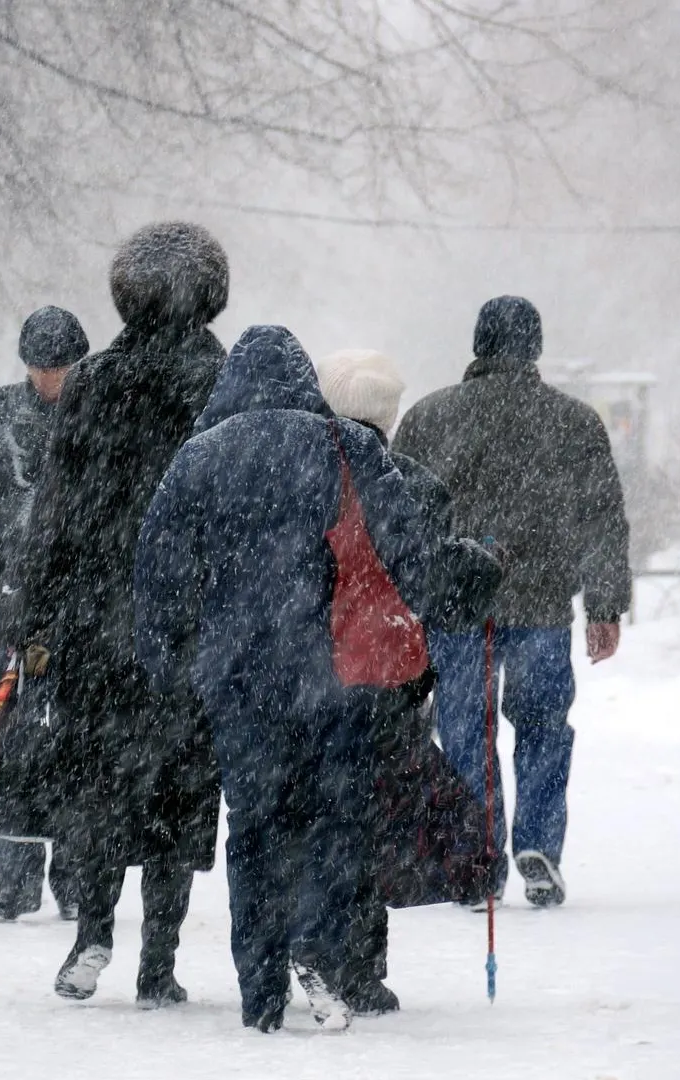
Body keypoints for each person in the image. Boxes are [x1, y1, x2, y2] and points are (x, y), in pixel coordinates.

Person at [134, 325, 434, 1032]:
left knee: (256, 826)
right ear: (303, 377)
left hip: (238, 676)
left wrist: (167, 662)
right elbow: (408, 550)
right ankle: (316, 943)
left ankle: (259, 989)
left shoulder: (199, 456)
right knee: (335, 818)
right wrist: (461, 586)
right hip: (333, 670)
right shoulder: (350, 447)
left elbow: (158, 572)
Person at [21, 221, 227, 1009]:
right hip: (190, 621)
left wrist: (39, 621)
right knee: (180, 786)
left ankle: (93, 932)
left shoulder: (95, 381)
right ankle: (159, 964)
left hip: (96, 619)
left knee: (101, 784)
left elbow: (56, 511)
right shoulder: (223, 376)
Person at [392, 295, 632, 909]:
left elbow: (399, 515)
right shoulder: (574, 422)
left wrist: (403, 599)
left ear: (478, 343)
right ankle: (539, 846)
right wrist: (604, 605)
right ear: (535, 348)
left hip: (456, 608)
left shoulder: (430, 416)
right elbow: (603, 517)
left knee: (466, 732)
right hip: (542, 604)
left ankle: (478, 858)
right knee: (545, 726)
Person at [312, 347, 505, 1015]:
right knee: (372, 822)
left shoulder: (298, 478)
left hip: (315, 674)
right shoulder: (416, 487)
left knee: (316, 817)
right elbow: (440, 593)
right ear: (390, 413)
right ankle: (362, 970)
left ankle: (310, 945)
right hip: (391, 676)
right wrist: (478, 568)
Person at [0, 305, 89, 924]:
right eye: (42, 368)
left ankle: (74, 879)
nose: (52, 380)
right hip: (5, 603)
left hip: (74, 607)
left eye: (63, 367)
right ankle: (12, 882)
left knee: (74, 739)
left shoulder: (99, 411)